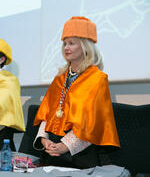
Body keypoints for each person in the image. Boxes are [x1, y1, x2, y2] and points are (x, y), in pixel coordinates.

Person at [33, 16, 120, 168]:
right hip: (51, 150)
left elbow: (93, 124)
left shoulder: (97, 79)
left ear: (85, 46)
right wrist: (44, 140)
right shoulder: (59, 78)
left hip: (80, 156)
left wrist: (65, 146)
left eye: (72, 43)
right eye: (65, 43)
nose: (66, 48)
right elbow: (46, 112)